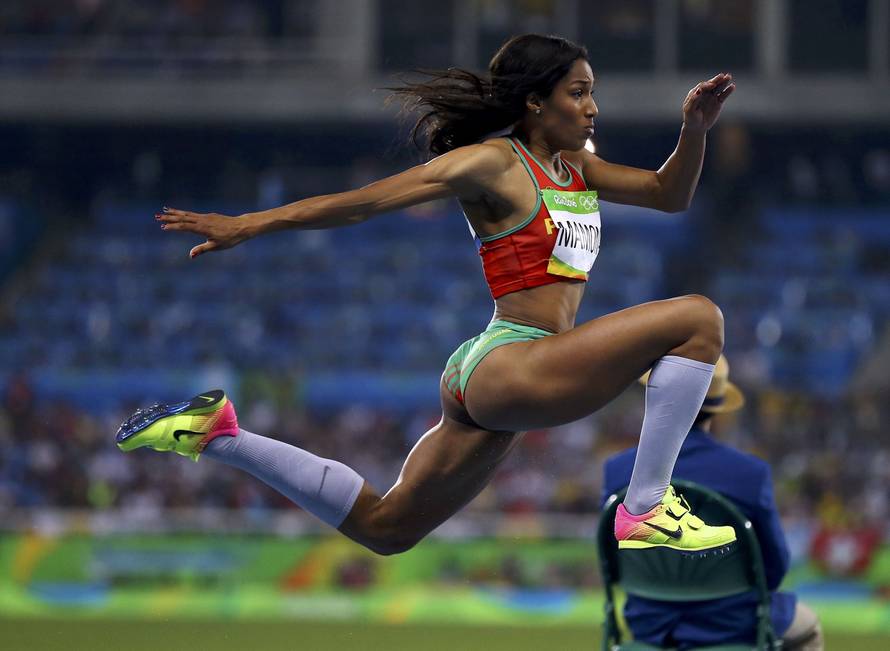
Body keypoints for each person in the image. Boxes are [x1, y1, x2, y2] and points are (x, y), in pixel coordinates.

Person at [118, 34, 737, 557]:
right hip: (511, 363)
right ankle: (646, 506)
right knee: (697, 319)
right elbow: (365, 203)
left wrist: (694, 130)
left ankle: (216, 434)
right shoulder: (494, 163)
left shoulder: (578, 168)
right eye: (578, 92)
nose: (592, 107)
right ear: (534, 102)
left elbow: (669, 194)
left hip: (504, 371)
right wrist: (249, 224)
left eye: (592, 92)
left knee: (387, 529)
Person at [602, 355, 824, 650]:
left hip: (649, 626)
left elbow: (612, 563)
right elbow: (774, 568)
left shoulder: (617, 470)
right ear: (717, 408)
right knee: (809, 627)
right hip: (732, 626)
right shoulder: (750, 473)